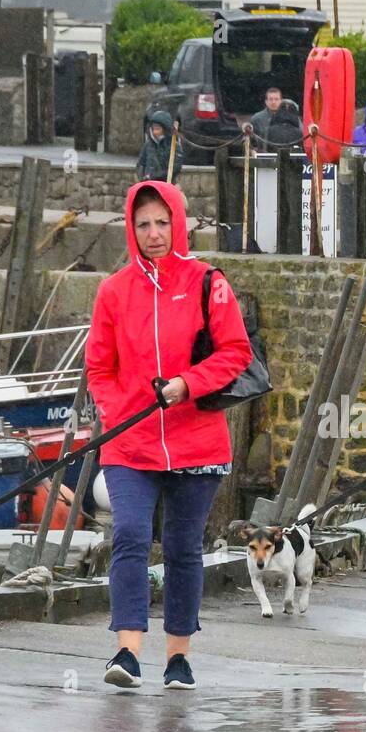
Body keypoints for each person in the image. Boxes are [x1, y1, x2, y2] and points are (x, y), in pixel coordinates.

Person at [85, 180, 253, 691]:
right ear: (130, 230)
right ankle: (127, 651)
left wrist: (188, 384)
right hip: (130, 443)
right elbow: (99, 368)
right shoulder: (112, 291)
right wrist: (117, 413)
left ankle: (178, 655)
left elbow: (236, 353)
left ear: (178, 223)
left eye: (162, 222)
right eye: (143, 225)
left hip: (197, 440)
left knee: (183, 546)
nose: (154, 233)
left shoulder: (208, 281)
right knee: (131, 536)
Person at [136, 108, 182, 182]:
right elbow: (141, 163)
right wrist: (142, 177)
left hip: (165, 183)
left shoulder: (174, 146)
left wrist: (155, 176)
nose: (154, 132)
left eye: (157, 129)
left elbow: (175, 168)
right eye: (153, 129)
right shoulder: (148, 145)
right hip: (148, 183)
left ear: (165, 129)